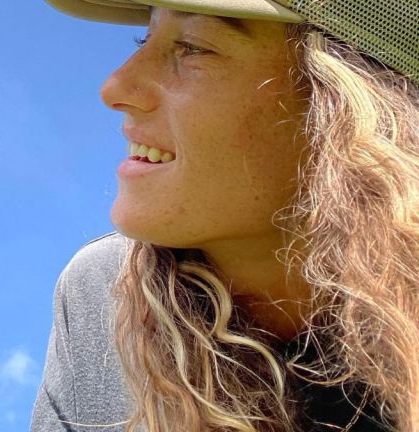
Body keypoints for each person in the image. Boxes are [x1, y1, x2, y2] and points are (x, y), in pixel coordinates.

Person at [30, 0, 419, 431]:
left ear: (349, 103)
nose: (115, 87)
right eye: (145, 37)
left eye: (193, 46)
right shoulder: (98, 293)